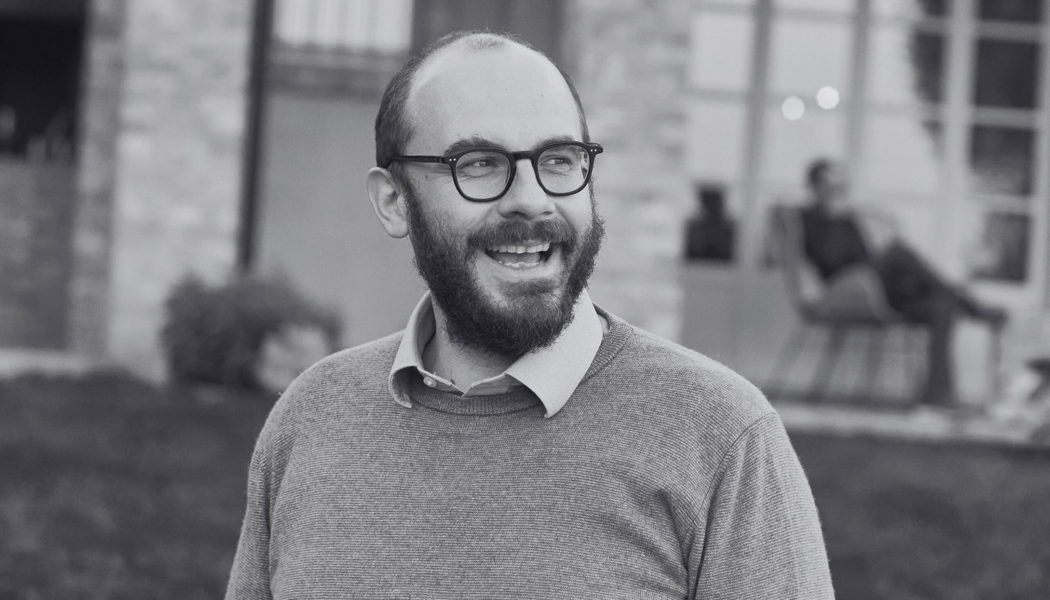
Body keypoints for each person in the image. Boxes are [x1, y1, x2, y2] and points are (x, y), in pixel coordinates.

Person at [225, 30, 835, 600]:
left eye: (559, 160)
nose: (532, 200)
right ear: (393, 202)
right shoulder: (310, 422)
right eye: (479, 163)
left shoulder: (722, 439)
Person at [799, 158, 1006, 406]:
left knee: (941, 307)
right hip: (847, 289)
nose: (836, 190)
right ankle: (971, 305)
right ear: (815, 186)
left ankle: (938, 395)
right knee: (899, 252)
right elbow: (830, 260)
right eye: (830, 184)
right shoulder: (807, 219)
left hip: (875, 288)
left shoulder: (847, 219)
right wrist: (833, 218)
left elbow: (863, 255)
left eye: (840, 184)